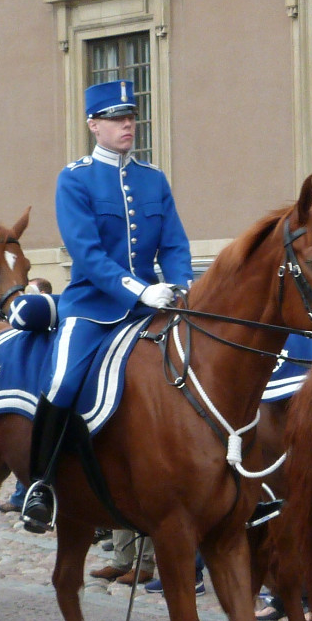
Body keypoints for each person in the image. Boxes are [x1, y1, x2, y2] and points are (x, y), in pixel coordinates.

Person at [18, 79, 192, 534]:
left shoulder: (153, 179)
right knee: (63, 380)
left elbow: (173, 242)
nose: (126, 124)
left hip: (154, 306)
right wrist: (138, 290)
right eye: (115, 118)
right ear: (94, 125)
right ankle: (41, 485)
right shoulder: (75, 178)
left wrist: (179, 284)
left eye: (130, 116)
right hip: (93, 306)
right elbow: (87, 253)